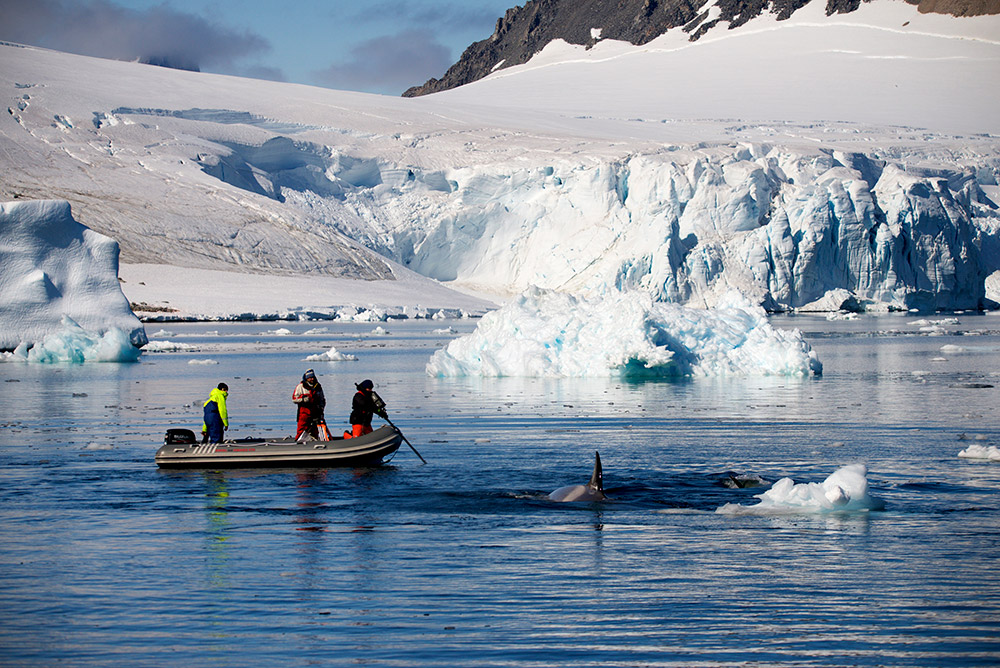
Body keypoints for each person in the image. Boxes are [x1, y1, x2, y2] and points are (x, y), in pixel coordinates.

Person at [293, 369, 326, 439]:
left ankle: (315, 442)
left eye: (313, 377)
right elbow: (294, 399)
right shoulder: (301, 387)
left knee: (315, 431)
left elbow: (322, 399)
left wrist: (321, 408)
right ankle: (299, 443)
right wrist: (303, 399)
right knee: (301, 430)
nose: (312, 379)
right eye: (310, 377)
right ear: (306, 378)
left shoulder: (318, 387)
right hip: (304, 413)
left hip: (315, 413)